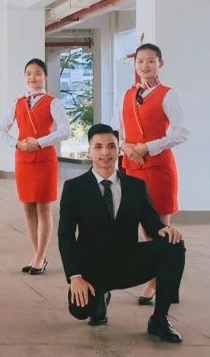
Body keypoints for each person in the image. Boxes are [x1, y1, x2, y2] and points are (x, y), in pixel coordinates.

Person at [58, 124, 186, 343]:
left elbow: (152, 224)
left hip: (128, 261)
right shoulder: (74, 188)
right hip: (93, 267)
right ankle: (100, 297)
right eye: (98, 147)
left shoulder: (136, 186)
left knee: (173, 245)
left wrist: (165, 230)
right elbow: (65, 236)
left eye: (111, 146)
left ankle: (160, 319)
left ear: (119, 150)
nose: (105, 152)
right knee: (80, 310)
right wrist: (75, 277)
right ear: (89, 151)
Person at [118, 43, 189, 305]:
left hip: (159, 169)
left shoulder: (168, 94)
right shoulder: (127, 95)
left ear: (160, 64)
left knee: (158, 229)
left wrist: (148, 147)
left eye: (150, 61)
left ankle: (156, 282)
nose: (145, 66)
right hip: (131, 168)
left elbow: (181, 132)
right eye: (140, 61)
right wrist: (126, 148)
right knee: (137, 227)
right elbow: (119, 130)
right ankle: (151, 275)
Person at [0, 58, 70, 275]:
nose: (33, 77)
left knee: (43, 207)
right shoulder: (18, 102)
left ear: (45, 77)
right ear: (24, 77)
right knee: (28, 208)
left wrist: (39, 142)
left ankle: (40, 257)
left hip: (44, 160)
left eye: (38, 73)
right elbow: (1, 129)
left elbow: (65, 130)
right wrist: (17, 144)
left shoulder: (53, 102)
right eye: (29, 73)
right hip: (23, 160)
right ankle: (37, 254)